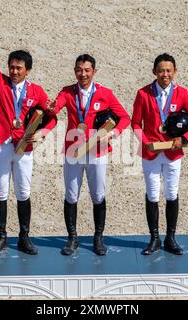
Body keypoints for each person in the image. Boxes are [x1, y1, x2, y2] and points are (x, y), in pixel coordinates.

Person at [0, 10, 57, 255]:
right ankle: (1, 237)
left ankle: (24, 237)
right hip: (0, 143)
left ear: (27, 70)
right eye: (11, 67)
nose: (13, 71)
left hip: (25, 146)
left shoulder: (37, 91)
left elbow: (52, 118)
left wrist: (43, 133)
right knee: (1, 191)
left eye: (19, 68)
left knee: (23, 191)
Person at [47, 54, 131, 256]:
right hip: (73, 151)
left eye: (86, 70)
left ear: (94, 71)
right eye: (78, 69)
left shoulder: (105, 94)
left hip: (96, 151)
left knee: (98, 194)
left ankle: (98, 238)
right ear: (74, 70)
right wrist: (52, 108)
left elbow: (125, 118)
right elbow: (57, 105)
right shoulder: (68, 91)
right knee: (71, 194)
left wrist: (112, 134)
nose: (82, 74)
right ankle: (72, 238)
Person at [131, 53, 188, 255]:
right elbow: (135, 123)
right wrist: (145, 142)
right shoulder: (143, 93)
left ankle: (171, 238)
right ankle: (154, 238)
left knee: (171, 193)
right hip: (151, 153)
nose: (165, 74)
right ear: (154, 71)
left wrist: (185, 138)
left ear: (175, 72)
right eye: (161, 70)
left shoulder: (181, 93)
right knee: (153, 194)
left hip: (173, 152)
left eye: (169, 71)